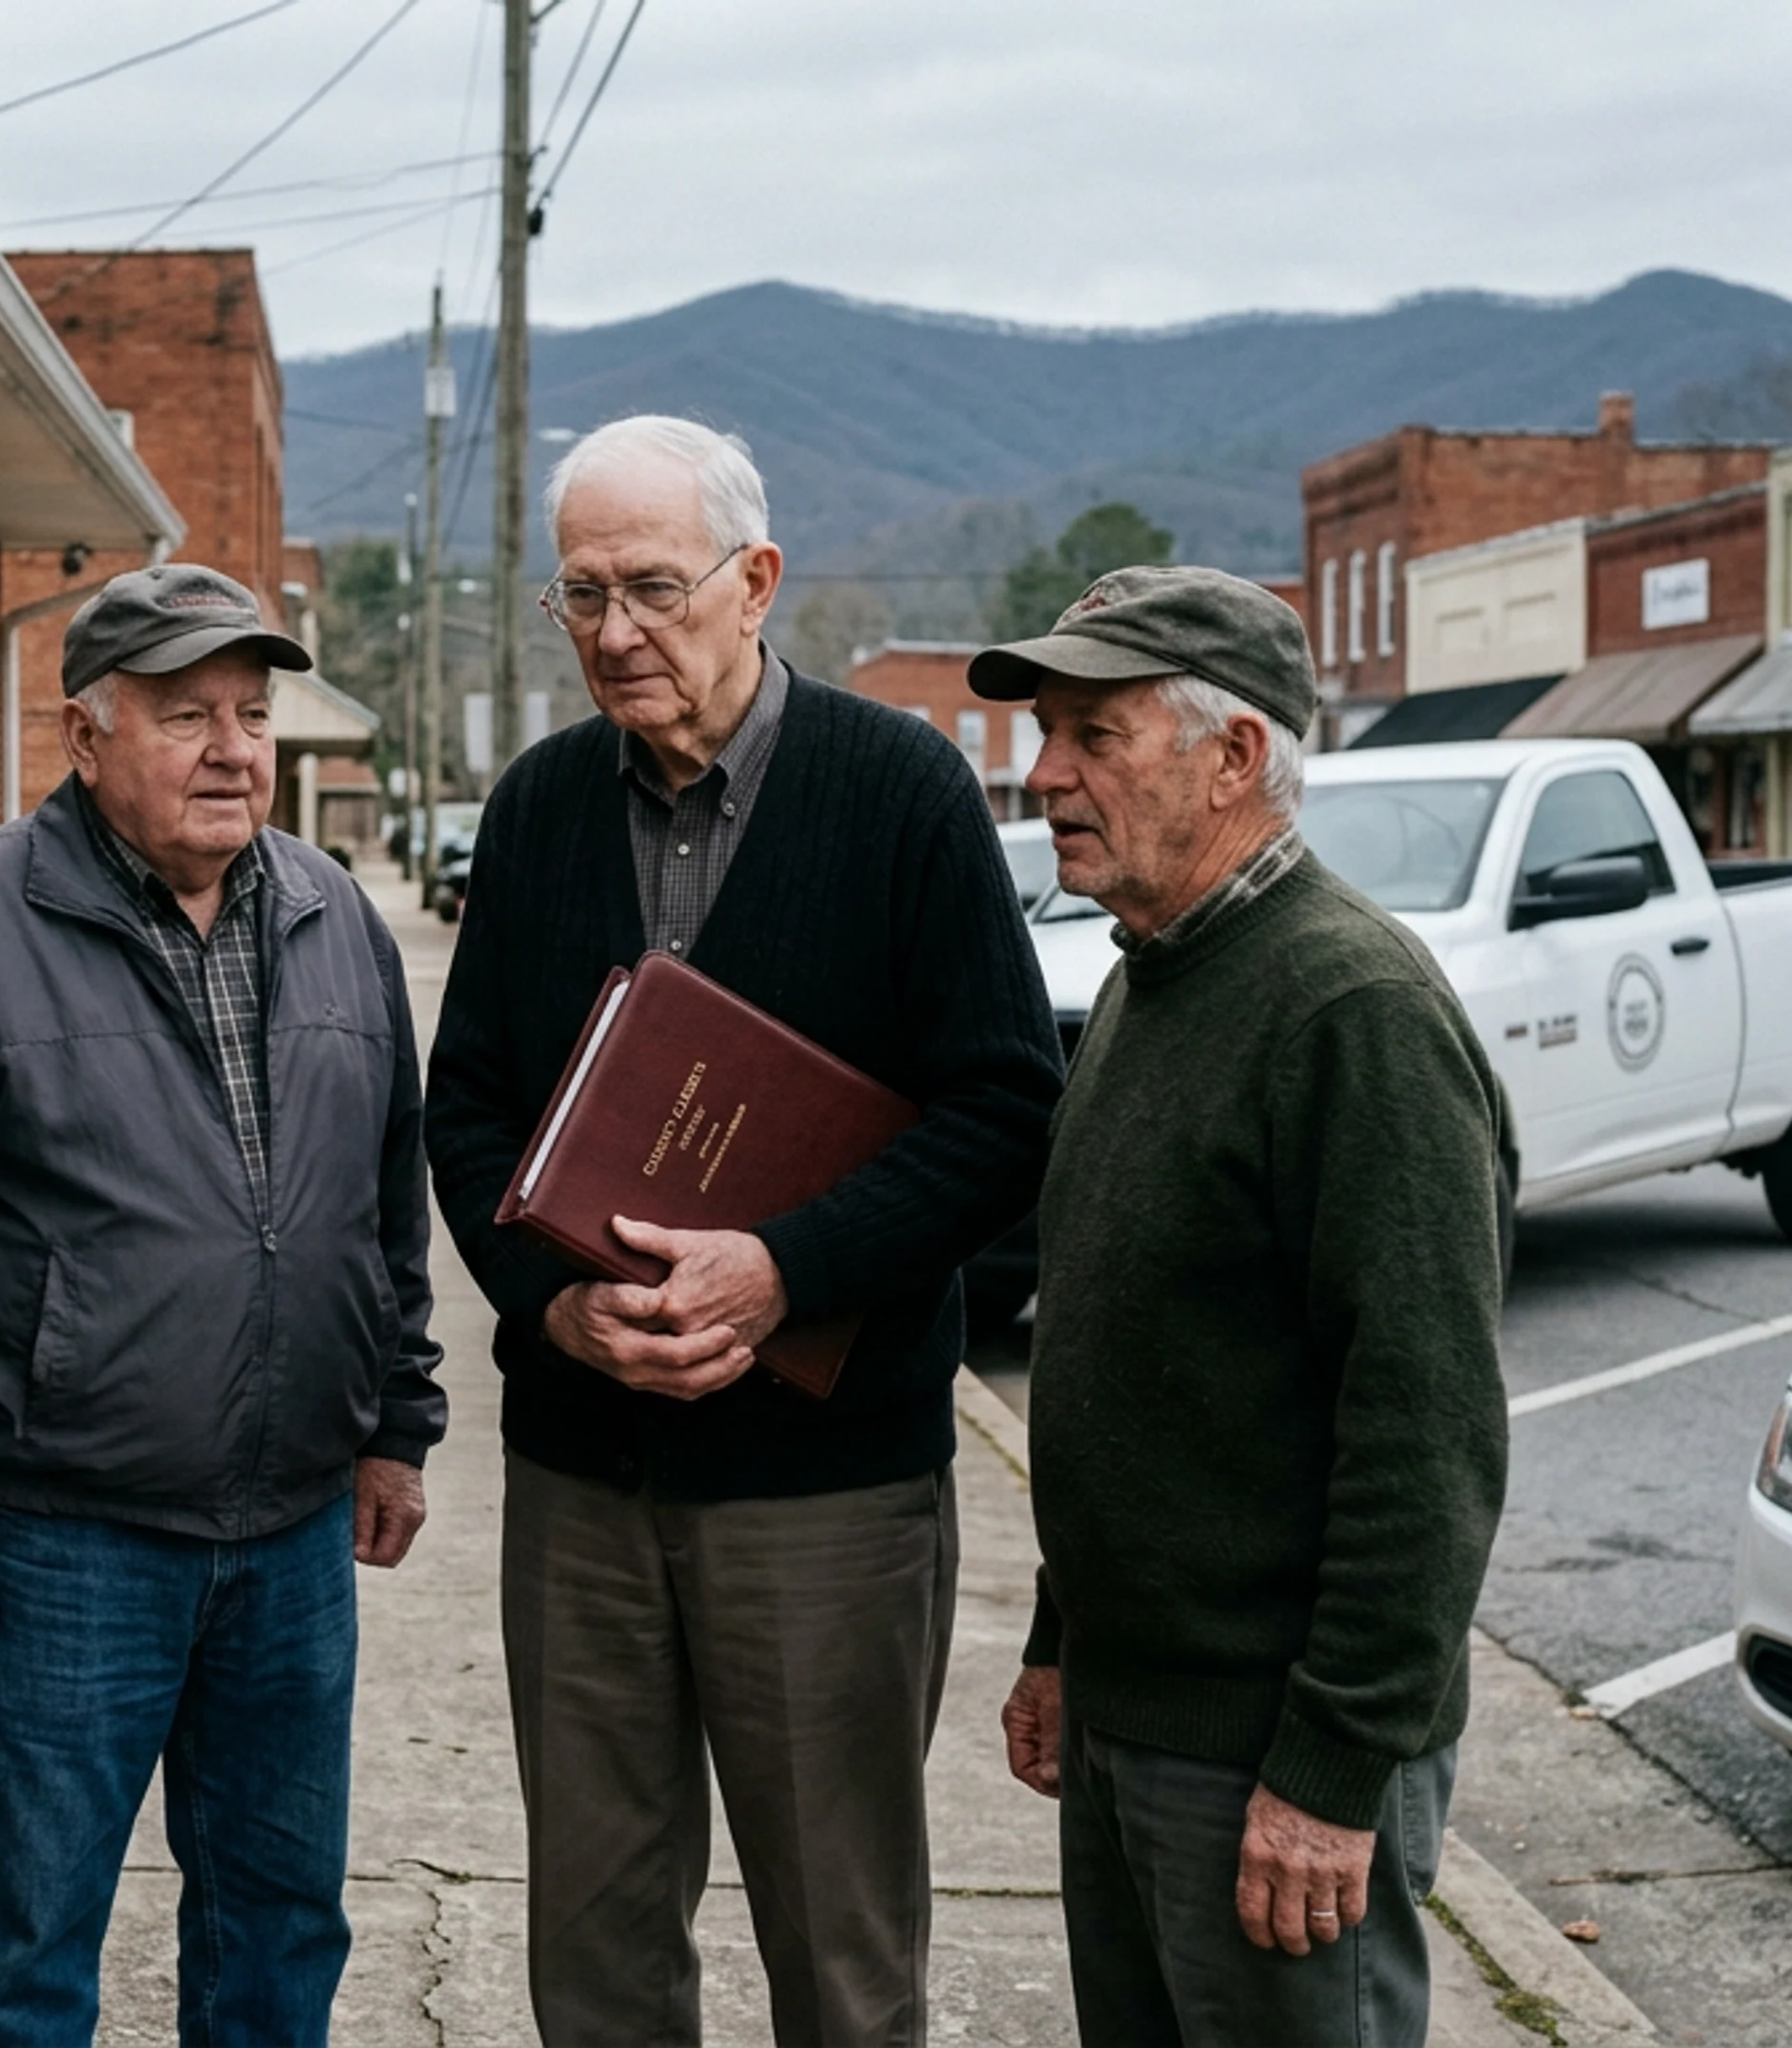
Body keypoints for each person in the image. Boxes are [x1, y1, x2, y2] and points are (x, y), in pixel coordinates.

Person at [423, 415, 1065, 2046]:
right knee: (596, 1947)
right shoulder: (539, 809)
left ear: (756, 580)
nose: (616, 632)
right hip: (581, 1475)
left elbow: (1005, 1111)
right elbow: (470, 1111)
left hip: (827, 1492)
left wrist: (786, 1271)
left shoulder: (900, 789)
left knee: (841, 1959)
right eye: (580, 595)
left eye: (652, 586)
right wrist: (549, 1313)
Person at [0, 562, 447, 2047]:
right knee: (31, 1951)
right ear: (85, 737)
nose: (233, 749)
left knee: (283, 1930)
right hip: (57, 1544)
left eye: (252, 713)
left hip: (291, 1539)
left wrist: (397, 1420)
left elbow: (381, 1201)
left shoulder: (335, 916)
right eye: (185, 716)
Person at [972, 566, 1511, 2045]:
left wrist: (1333, 1776)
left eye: (1094, 733)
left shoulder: (1354, 1011)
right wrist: (1059, 1638)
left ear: (1236, 757)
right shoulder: (1151, 977)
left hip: (1274, 1769)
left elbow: (1429, 1437)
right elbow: (1131, 1360)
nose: (1047, 773)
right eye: (1046, 733)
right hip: (1133, 1728)